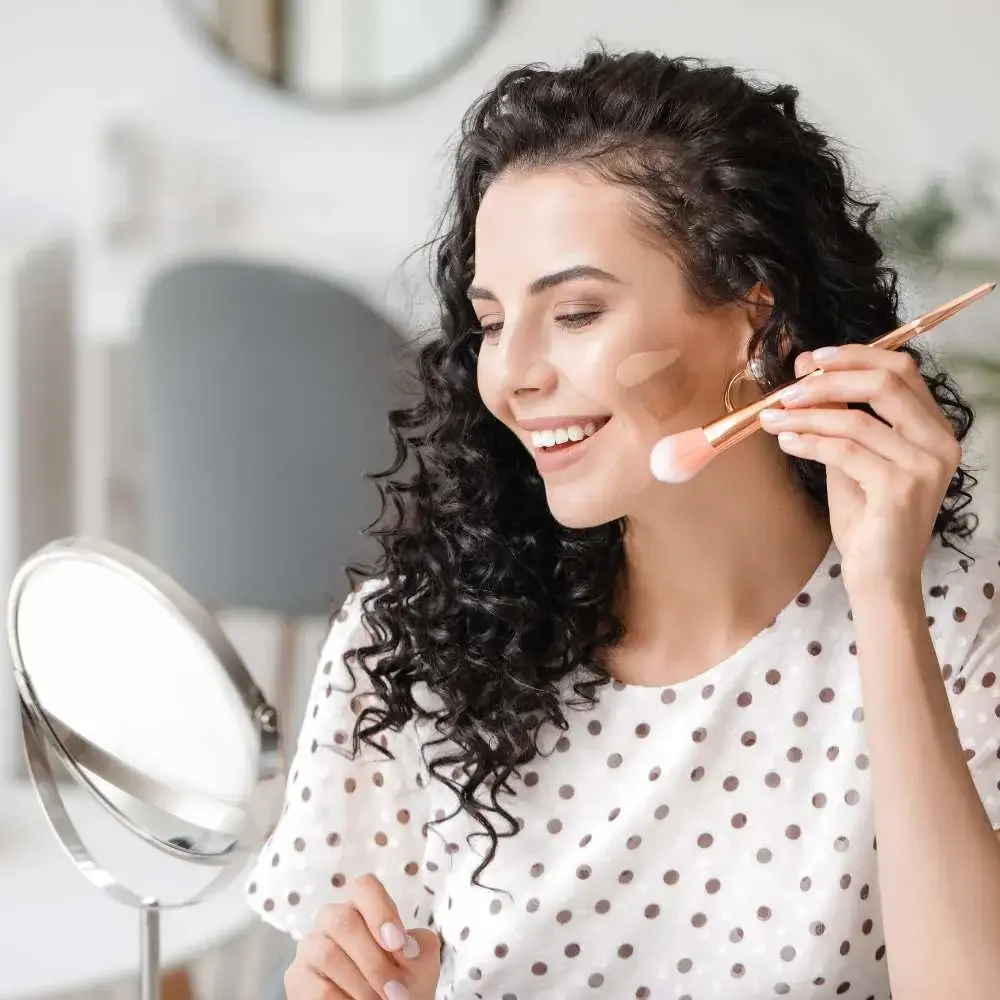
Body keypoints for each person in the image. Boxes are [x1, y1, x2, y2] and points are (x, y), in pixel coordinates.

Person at [245, 48, 1000, 1000]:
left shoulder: (957, 623)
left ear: (759, 324)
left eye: (576, 312)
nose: (513, 373)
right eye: (490, 321)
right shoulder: (412, 648)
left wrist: (886, 599)